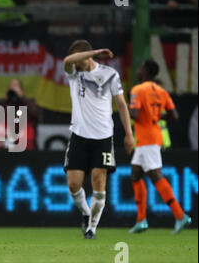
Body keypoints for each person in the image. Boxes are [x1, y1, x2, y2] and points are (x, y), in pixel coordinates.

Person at [63, 40, 134, 240]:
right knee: (73, 185)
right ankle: (86, 213)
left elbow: (121, 104)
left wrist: (129, 133)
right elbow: (68, 60)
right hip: (79, 135)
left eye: (81, 60)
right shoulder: (74, 73)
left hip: (103, 137)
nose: (77, 65)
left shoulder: (110, 74)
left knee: (98, 181)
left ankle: (91, 228)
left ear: (88, 57)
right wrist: (96, 51)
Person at [128, 60, 191, 234]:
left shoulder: (138, 90)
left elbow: (134, 113)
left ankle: (180, 215)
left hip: (146, 139)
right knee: (135, 175)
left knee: (156, 176)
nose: (138, 70)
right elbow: (174, 115)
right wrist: (155, 116)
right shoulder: (162, 91)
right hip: (150, 137)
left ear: (145, 71)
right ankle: (141, 220)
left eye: (140, 68)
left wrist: (126, 109)